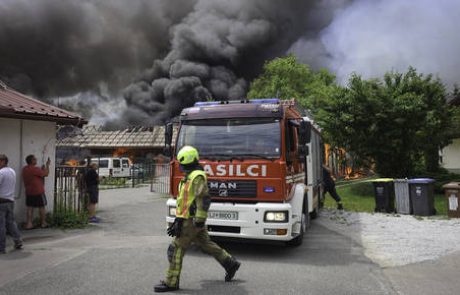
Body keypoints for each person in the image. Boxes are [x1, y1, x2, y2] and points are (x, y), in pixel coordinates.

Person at [154, 146, 241, 293]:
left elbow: (203, 198)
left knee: (176, 249)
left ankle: (171, 282)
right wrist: (178, 220)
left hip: (192, 221)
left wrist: (199, 219)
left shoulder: (196, 176)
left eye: (181, 163)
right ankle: (230, 263)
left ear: (186, 161)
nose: (180, 166)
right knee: (206, 243)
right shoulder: (191, 175)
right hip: (189, 219)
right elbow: (187, 201)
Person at [0, 154, 23, 253]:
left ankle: (1, 247)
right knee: (11, 223)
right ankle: (18, 241)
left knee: (1, 225)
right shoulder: (12, 171)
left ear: (3, 161)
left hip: (1, 202)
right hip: (10, 200)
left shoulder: (1, 173)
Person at [22, 154, 50, 229]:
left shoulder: (25, 169)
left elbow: (36, 175)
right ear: (32, 161)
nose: (36, 160)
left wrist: (41, 170)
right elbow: (46, 174)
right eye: (35, 159)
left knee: (30, 208)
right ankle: (43, 223)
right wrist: (47, 165)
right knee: (41, 207)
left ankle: (29, 224)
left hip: (29, 191)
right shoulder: (35, 169)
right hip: (38, 191)